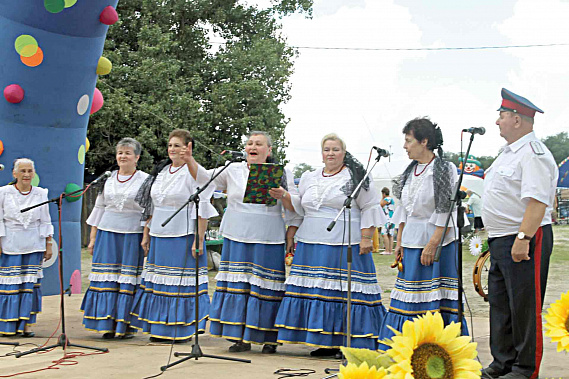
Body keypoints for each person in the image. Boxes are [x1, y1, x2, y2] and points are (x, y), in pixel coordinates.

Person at [185, 131, 299, 354]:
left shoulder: (282, 172)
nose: (253, 147)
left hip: (267, 237)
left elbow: (296, 207)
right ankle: (239, 337)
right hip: (237, 235)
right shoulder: (232, 169)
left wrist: (283, 194)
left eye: (259, 144)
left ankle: (268, 338)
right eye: (250, 143)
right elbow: (203, 178)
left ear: (269, 150)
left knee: (265, 286)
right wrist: (190, 159)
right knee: (239, 285)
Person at [275, 133, 387, 356]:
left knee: (342, 290)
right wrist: (285, 199)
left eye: (335, 149)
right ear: (321, 153)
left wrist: (366, 237)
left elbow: (370, 206)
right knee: (318, 289)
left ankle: (349, 342)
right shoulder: (310, 177)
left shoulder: (356, 177)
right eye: (327, 149)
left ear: (344, 153)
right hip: (311, 241)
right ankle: (324, 340)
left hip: (345, 240)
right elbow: (300, 207)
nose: (331, 153)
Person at [481, 89, 558, 379]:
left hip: (524, 238)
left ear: (517, 119)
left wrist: (523, 238)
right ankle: (503, 363)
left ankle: (525, 369)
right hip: (501, 239)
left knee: (524, 306)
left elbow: (538, 202)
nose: (497, 122)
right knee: (501, 304)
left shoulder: (533, 153)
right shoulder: (506, 154)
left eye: (501, 116)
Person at [378, 118, 465, 347]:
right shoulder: (410, 172)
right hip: (412, 240)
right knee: (409, 293)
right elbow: (404, 211)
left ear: (424, 141)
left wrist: (432, 244)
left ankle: (437, 346)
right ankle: (407, 347)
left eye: (408, 141)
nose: (405, 146)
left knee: (434, 295)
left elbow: (445, 208)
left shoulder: (444, 169)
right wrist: (399, 242)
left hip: (437, 243)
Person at [130, 129, 217, 342]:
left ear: (188, 148)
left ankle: (181, 329)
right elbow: (153, 206)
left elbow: (203, 206)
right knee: (159, 282)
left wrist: (199, 238)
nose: (172, 150)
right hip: (160, 234)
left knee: (179, 283)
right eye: (170, 145)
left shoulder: (195, 172)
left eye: (177, 145)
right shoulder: (161, 172)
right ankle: (160, 327)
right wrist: (146, 233)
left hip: (183, 234)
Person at [80, 138, 149, 338]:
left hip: (131, 234)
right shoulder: (107, 179)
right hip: (107, 234)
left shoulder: (145, 180)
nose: (123, 156)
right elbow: (99, 209)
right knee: (106, 277)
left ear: (137, 157)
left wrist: (146, 236)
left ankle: (125, 325)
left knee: (127, 279)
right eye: (120, 153)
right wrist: (93, 238)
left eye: (127, 153)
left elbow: (148, 211)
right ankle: (105, 323)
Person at [0, 158, 53, 337]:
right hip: (10, 244)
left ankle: (26, 325)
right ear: (14, 174)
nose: (26, 175)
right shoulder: (4, 192)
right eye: (22, 171)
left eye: (30, 171)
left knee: (28, 285)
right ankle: (7, 325)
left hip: (33, 244)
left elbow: (46, 220)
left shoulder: (40, 194)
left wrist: (48, 244)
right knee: (11, 285)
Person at [380, 187, 395, 254]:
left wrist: (382, 198)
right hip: (392, 218)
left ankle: (387, 250)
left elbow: (380, 205)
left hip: (387, 218)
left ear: (383, 193)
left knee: (384, 233)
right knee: (390, 235)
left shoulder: (387, 199)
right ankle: (390, 250)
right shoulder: (391, 199)